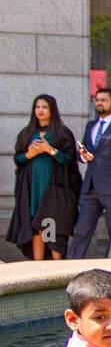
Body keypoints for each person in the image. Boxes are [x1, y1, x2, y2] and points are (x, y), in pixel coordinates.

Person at [7, 95, 81, 260]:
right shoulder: (27, 133)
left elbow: (69, 161)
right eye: (37, 107)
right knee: (35, 226)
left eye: (44, 107)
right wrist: (30, 154)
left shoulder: (61, 133)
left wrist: (50, 150)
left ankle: (56, 268)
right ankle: (38, 267)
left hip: (53, 189)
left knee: (50, 226)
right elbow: (18, 159)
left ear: (52, 110)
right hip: (33, 188)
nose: (40, 110)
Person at [68, 88, 111, 259]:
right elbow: (83, 153)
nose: (99, 103)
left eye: (103, 100)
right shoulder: (91, 125)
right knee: (81, 231)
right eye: (97, 100)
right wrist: (83, 156)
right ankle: (70, 268)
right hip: (90, 187)